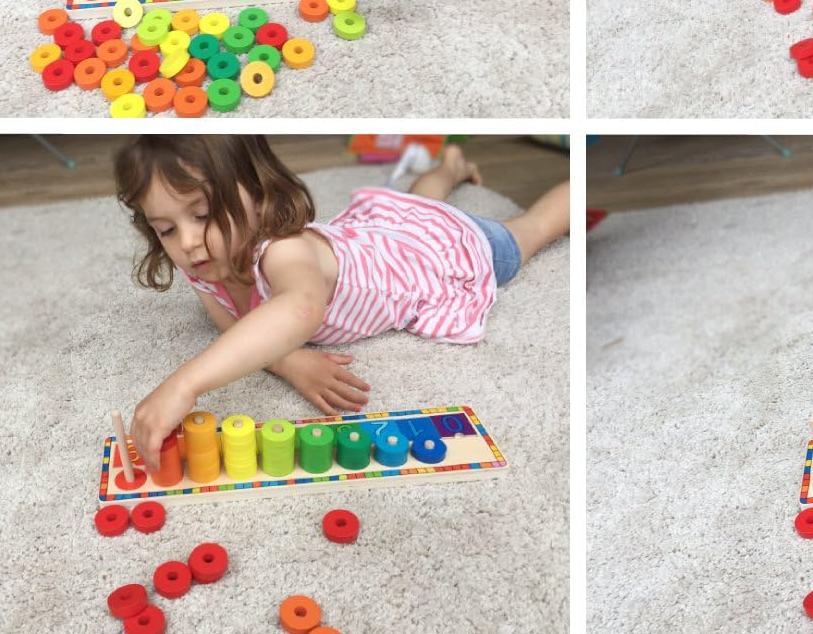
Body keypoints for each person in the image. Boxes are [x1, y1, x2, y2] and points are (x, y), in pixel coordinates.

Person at [116, 136, 570, 469]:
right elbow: (232, 326)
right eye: (166, 229)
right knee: (412, 204)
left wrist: (185, 383)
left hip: (437, 255)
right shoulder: (201, 263)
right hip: (383, 234)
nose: (188, 243)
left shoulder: (285, 251)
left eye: (201, 215)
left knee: (528, 231)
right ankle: (449, 166)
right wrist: (288, 362)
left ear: (257, 193)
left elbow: (298, 310)